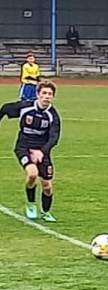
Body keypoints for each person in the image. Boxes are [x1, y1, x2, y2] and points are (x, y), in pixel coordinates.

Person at [2, 81, 61, 221]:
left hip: (42, 150)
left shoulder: (53, 115)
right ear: (38, 95)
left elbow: (54, 137)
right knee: (32, 174)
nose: (47, 97)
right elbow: (5, 108)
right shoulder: (26, 107)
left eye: (50, 94)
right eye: (44, 93)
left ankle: (46, 212)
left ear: (53, 97)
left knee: (47, 186)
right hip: (24, 147)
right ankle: (31, 204)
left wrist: (42, 151)